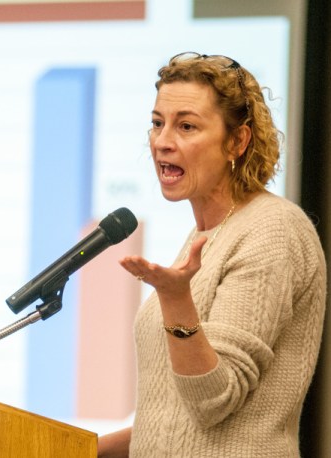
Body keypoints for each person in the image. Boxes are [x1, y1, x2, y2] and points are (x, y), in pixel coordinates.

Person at [98, 52, 327, 457]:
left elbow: (213, 399)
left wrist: (174, 299)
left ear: (237, 141)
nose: (163, 141)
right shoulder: (206, 234)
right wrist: (76, 447)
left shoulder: (273, 229)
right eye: (157, 123)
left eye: (186, 126)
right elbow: (172, 421)